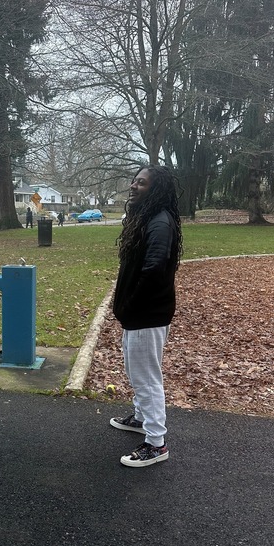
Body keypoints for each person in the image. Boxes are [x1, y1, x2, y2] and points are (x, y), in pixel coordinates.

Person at [110, 165, 183, 467]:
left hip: (146, 314)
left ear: (156, 189)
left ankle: (156, 443)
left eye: (141, 183)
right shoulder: (147, 217)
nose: (133, 186)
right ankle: (141, 418)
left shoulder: (159, 223)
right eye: (134, 180)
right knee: (137, 371)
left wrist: (131, 304)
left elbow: (153, 270)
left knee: (147, 379)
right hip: (138, 314)